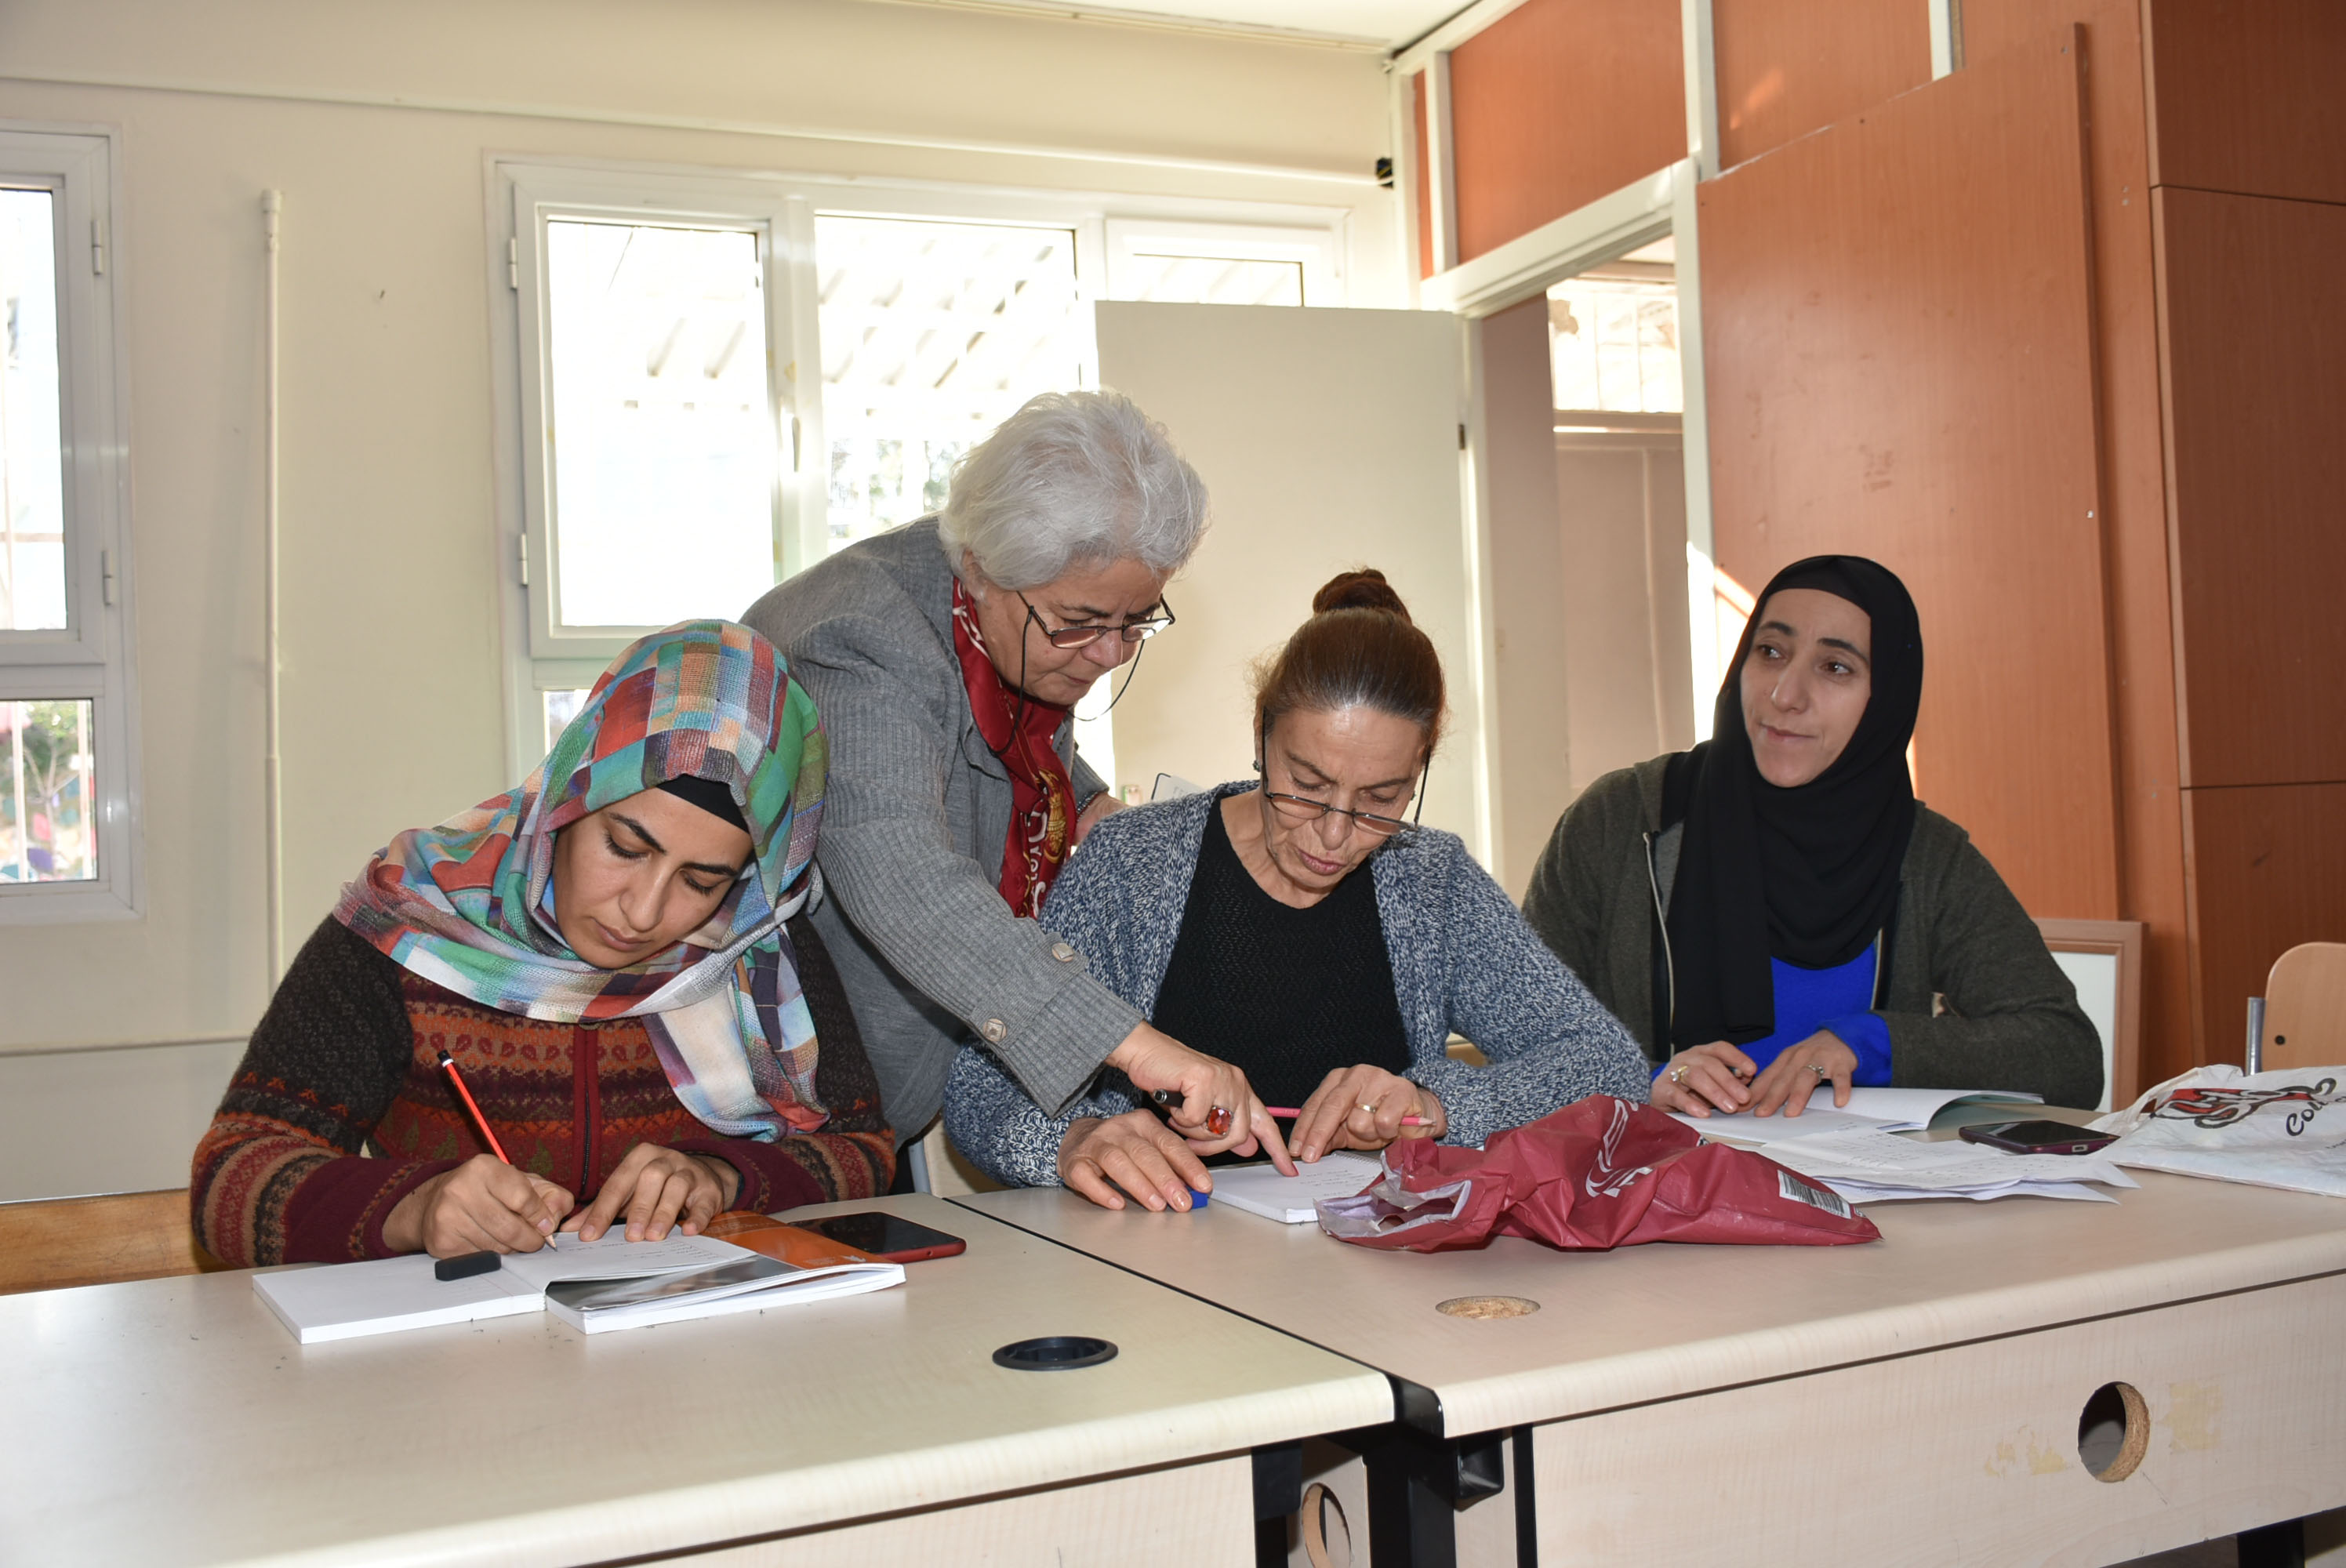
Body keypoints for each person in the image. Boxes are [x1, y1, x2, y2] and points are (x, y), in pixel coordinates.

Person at [943, 570, 1651, 1210]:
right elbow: (981, 1088)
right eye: (1307, 787)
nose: (1334, 836)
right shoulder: (1133, 867)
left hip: (1375, 1276)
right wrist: (1077, 1140)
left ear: (1420, 770)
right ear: (1261, 736)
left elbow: (1608, 1065)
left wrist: (1435, 1106)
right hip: (1155, 1277)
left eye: (1381, 799)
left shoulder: (1432, 883)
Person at [191, 622, 893, 1265]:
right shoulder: (412, 924)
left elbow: (862, 1150)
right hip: (458, 1359)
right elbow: (231, 1180)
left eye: (702, 882)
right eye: (624, 847)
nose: (644, 912)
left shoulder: (759, 947)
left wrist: (726, 1175)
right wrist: (417, 1206)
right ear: (564, 801)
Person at [743, 390, 1290, 1171]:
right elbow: (906, 880)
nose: (1110, 654)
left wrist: (1101, 812)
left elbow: (1017, 752)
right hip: (774, 1115)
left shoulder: (1016, 622)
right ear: (982, 567)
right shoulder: (857, 641)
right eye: (1083, 621)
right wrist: (1129, 1045)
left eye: (1135, 621)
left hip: (873, 1116)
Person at [1521, 555, 2101, 1120]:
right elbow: (1519, 1029)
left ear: (1886, 701)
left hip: (1865, 1202)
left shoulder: (1925, 856)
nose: (1785, 696)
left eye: (1836, 668)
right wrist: (1642, 1078)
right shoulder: (1623, 821)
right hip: (1650, 1193)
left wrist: (1869, 1044)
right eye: (1770, 652)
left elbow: (2065, 1052)